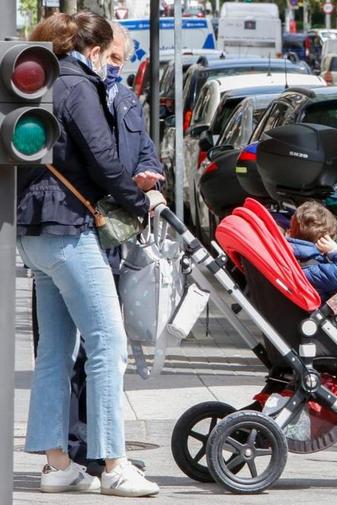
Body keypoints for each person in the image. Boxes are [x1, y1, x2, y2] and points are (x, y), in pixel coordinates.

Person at [20, 12, 163, 496]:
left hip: (34, 231)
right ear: (96, 50)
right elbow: (103, 157)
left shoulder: (42, 77)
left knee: (55, 352)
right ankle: (114, 464)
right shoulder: (78, 83)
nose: (110, 66)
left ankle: (57, 465)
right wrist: (141, 202)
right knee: (108, 343)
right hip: (69, 229)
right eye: (110, 56)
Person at [286, 201, 337, 300]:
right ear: (324, 241)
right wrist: (335, 250)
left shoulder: (284, 250)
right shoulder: (313, 266)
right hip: (313, 311)